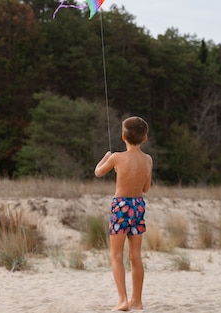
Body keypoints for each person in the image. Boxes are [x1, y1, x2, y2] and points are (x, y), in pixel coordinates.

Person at [94, 116, 152, 311]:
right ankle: (137, 300)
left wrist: (106, 157)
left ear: (123, 137)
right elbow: (146, 188)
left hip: (121, 207)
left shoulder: (116, 157)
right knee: (135, 255)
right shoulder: (148, 160)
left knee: (116, 255)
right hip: (138, 206)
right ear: (145, 138)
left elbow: (98, 172)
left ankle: (123, 300)